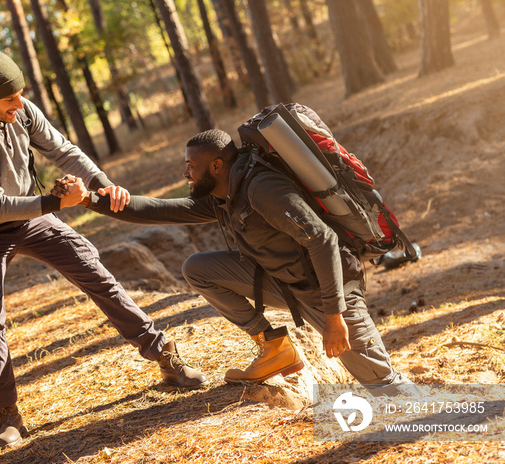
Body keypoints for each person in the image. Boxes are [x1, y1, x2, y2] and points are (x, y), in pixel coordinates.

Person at [0, 48, 207, 447]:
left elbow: (63, 150)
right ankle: (7, 415)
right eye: (10, 100)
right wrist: (56, 203)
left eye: (20, 95)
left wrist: (102, 183)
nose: (20, 105)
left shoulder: (20, 108)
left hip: (31, 218)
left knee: (95, 272)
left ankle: (165, 357)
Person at [67, 128, 416, 396]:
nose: (185, 174)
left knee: (384, 384)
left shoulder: (262, 189)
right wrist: (88, 199)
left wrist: (334, 317)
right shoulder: (221, 194)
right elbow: (160, 210)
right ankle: (275, 347)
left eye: (191, 167)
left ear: (216, 166)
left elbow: (322, 240)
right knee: (198, 268)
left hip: (329, 286)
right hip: (281, 280)